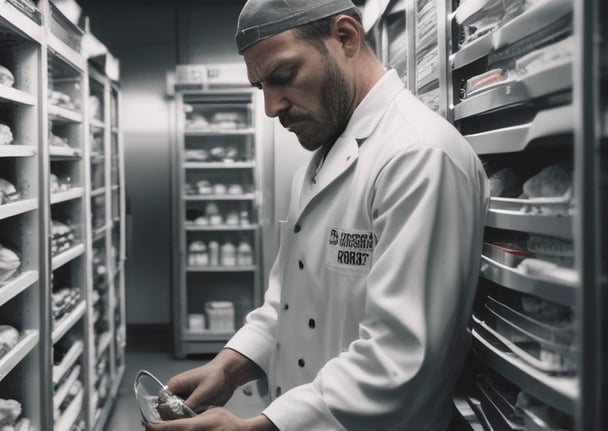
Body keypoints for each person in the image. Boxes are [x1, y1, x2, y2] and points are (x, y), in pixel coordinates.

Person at [147, 0, 489, 429]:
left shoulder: (418, 156)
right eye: (261, 88)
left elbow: (400, 359)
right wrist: (229, 367)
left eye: (283, 77)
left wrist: (259, 427)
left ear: (345, 37)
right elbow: (288, 299)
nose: (272, 107)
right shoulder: (322, 157)